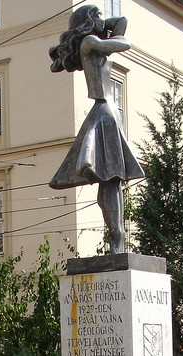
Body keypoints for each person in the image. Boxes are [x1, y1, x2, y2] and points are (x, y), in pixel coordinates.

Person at [48, 5, 144, 254]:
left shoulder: (91, 41)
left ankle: (117, 237)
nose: (105, 20)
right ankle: (117, 236)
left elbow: (121, 21)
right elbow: (124, 42)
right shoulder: (89, 42)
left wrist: (103, 22)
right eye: (98, 15)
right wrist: (99, 27)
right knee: (110, 179)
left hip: (107, 113)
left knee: (111, 181)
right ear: (89, 22)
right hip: (104, 113)